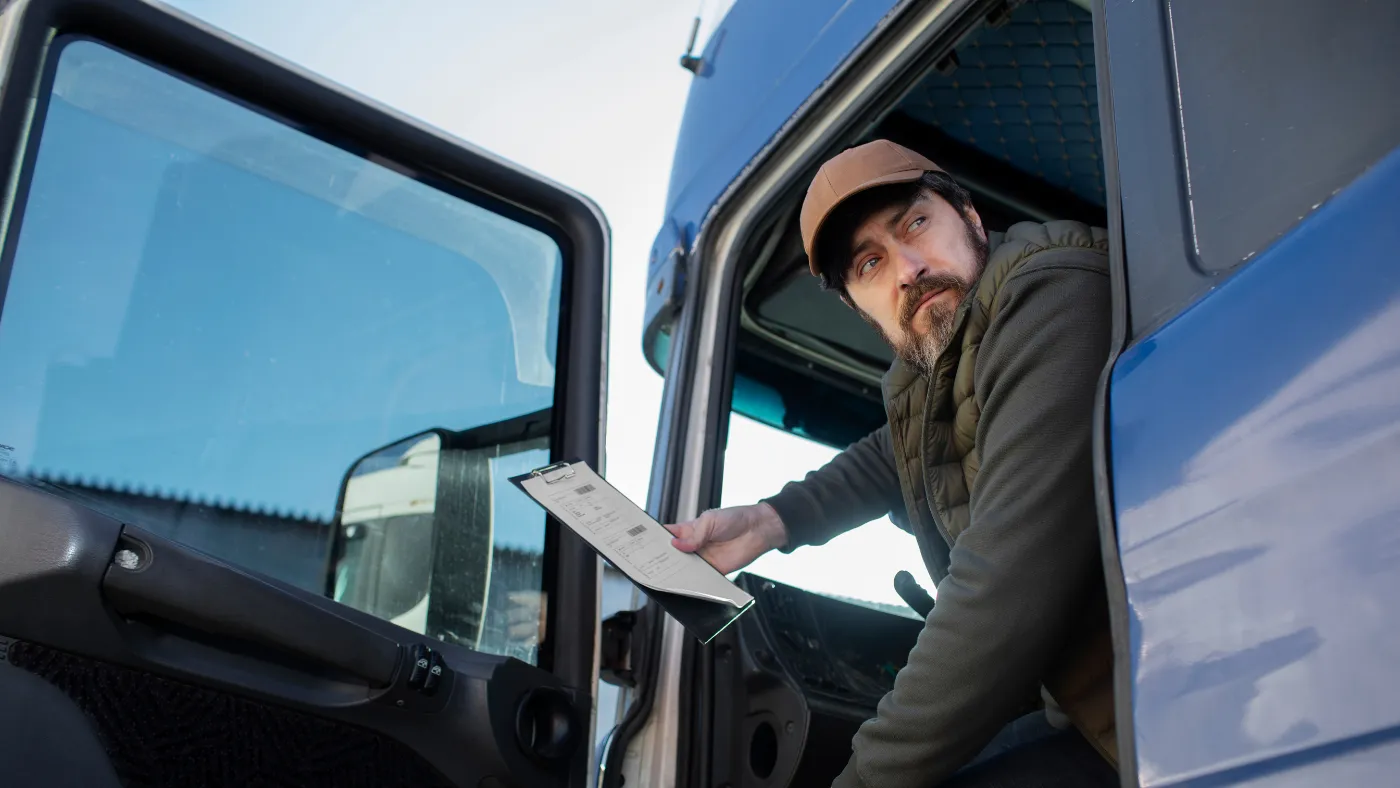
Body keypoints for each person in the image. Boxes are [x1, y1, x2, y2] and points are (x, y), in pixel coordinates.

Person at [667, 140, 1119, 787]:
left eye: (916, 223)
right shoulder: (935, 370)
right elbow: (894, 450)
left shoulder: (1048, 294)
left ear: (969, 216)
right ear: (857, 306)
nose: (907, 270)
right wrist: (769, 521)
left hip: (1167, 703)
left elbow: (1003, 587)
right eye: (871, 262)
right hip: (1092, 709)